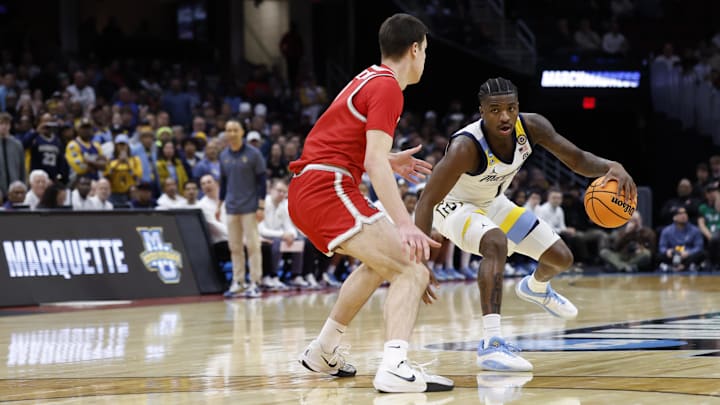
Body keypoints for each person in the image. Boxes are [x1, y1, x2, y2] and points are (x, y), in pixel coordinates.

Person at [414, 77, 637, 372]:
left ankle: (535, 287)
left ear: (518, 108)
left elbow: (578, 159)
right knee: (495, 242)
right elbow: (426, 201)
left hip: (492, 202)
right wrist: (419, 260)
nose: (504, 116)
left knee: (561, 258)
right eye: (494, 110)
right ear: (481, 112)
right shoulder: (465, 148)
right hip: (452, 207)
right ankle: (491, 345)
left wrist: (612, 166)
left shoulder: (532, 127)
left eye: (510, 108)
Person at [288, 14, 453, 393]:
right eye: (425, 51)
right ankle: (395, 365)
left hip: (314, 186)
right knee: (412, 268)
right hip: (326, 187)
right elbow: (373, 163)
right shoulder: (388, 88)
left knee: (380, 265)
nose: (424, 59)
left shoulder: (368, 77)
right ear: (414, 49)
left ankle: (323, 349)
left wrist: (387, 158)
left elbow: (343, 138)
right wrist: (405, 225)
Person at [217, 120, 266, 299]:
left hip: (250, 207)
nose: (231, 133)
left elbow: (262, 181)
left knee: (253, 246)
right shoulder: (223, 156)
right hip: (231, 207)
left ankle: (255, 282)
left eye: (235, 130)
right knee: (234, 246)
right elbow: (223, 183)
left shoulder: (254, 154)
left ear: (242, 132)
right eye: (228, 130)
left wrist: (261, 205)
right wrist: (219, 204)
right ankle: (238, 281)